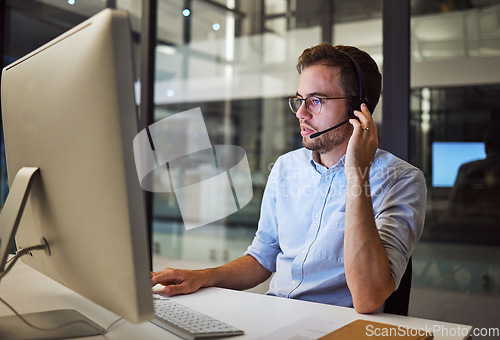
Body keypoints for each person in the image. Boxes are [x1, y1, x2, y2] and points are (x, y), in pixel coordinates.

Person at [151, 43, 427, 314]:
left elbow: (369, 298)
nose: (301, 114)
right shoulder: (286, 167)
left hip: (334, 328)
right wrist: (203, 277)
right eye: (299, 100)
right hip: (277, 317)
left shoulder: (400, 180)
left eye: (316, 101)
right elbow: (263, 257)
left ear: (358, 108)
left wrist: (357, 175)